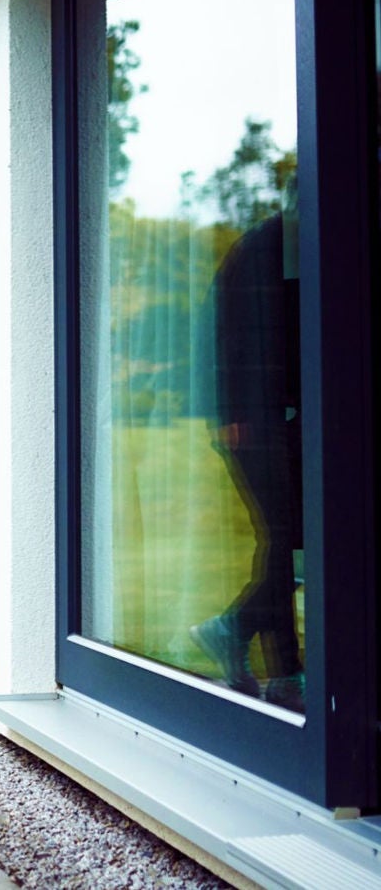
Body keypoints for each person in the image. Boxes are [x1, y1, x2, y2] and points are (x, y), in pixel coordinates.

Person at [190, 186, 304, 713]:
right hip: (257, 423)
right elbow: (225, 338)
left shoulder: (293, 246)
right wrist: (231, 416)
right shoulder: (265, 248)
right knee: (285, 537)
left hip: (286, 420)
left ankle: (273, 663)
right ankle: (265, 656)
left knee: (288, 539)